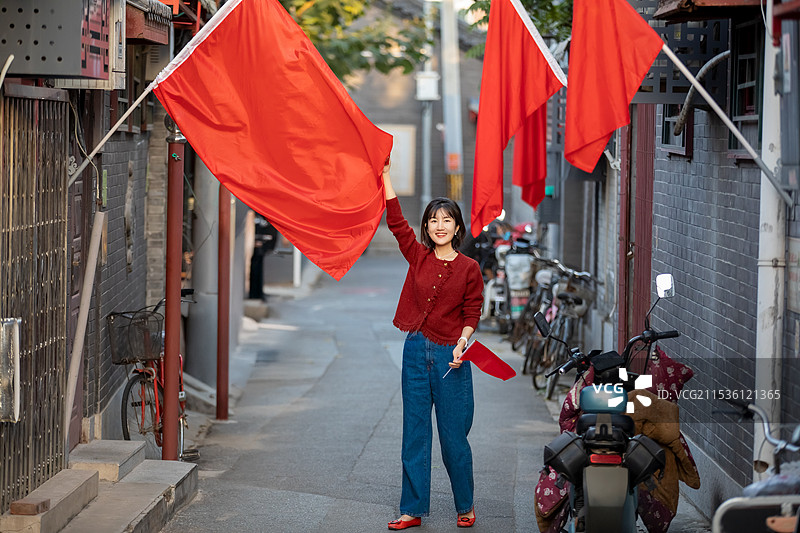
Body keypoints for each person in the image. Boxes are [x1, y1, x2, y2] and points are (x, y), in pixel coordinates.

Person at [382, 159, 483, 530]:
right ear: (426, 227)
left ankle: (465, 504)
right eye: (433, 221)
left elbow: (472, 311)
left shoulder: (469, 268)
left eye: (447, 220)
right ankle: (412, 510)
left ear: (457, 227)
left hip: (449, 357)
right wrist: (385, 176)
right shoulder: (418, 256)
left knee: (454, 438)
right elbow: (396, 223)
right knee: (415, 434)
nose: (440, 226)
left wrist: (462, 342)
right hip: (414, 352)